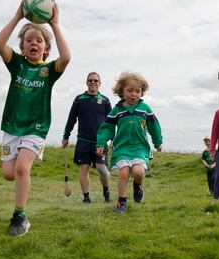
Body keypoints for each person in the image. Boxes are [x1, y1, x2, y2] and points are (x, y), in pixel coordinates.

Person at [0, 0, 71, 236]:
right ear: (23, 47)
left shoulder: (48, 71)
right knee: (9, 173)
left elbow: (66, 57)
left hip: (36, 128)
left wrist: (55, 25)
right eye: (29, 41)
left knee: (21, 168)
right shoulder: (16, 65)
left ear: (46, 49)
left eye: (39, 41)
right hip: (12, 127)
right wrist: (18, 16)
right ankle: (21, 199)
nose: (34, 43)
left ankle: (19, 216)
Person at [96, 72, 163, 214]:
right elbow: (107, 127)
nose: (134, 94)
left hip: (140, 147)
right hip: (122, 148)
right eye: (130, 90)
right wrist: (101, 142)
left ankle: (137, 185)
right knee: (124, 173)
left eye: (137, 91)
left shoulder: (145, 109)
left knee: (138, 172)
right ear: (122, 91)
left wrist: (158, 142)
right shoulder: (117, 110)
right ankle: (122, 203)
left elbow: (154, 126)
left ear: (142, 92)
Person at [62, 72, 112, 203]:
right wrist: (66, 136)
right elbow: (71, 119)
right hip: (83, 141)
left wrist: (113, 138)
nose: (93, 83)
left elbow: (111, 122)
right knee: (84, 168)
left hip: (100, 142)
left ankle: (106, 192)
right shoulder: (79, 99)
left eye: (96, 81)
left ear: (100, 83)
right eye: (90, 80)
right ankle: (86, 197)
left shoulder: (105, 101)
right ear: (87, 83)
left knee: (102, 169)